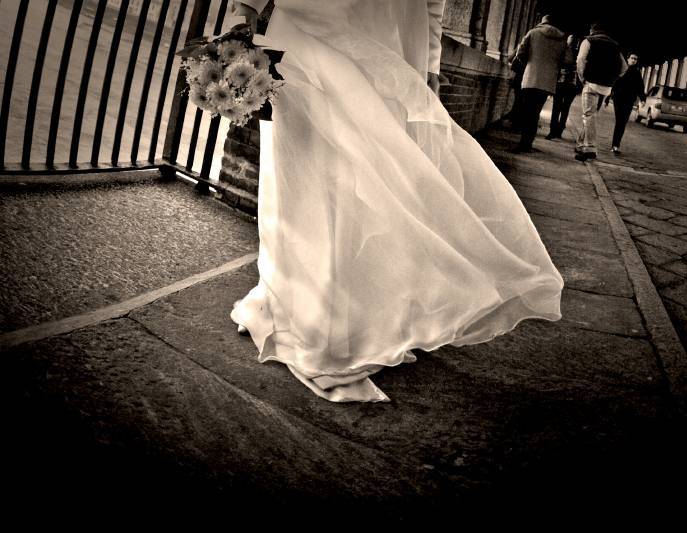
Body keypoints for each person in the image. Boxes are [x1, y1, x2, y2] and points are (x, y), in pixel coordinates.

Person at [230, 0, 564, 402]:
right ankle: (303, 303)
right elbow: (432, 8)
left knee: (320, 182)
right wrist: (431, 69)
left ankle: (324, 318)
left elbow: (431, 6)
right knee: (311, 178)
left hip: (350, 46)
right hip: (341, 45)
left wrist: (244, 10)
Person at [509, 15, 567, 153]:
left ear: (542, 22)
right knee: (535, 112)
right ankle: (528, 143)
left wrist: (528, 64)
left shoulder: (533, 32)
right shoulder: (562, 39)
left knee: (527, 111)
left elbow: (520, 52)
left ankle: (523, 143)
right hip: (548, 82)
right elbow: (568, 60)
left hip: (531, 78)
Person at [574, 23, 627, 161]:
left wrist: (582, 78)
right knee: (591, 115)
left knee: (588, 115)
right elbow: (624, 68)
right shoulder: (615, 45)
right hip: (606, 87)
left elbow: (580, 60)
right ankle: (581, 145)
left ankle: (590, 148)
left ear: (592, 30)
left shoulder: (588, 40)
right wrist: (612, 80)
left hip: (591, 84)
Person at [609, 52, 645, 156]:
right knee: (619, 122)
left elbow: (640, 87)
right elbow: (614, 83)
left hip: (629, 101)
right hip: (618, 99)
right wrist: (608, 96)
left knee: (622, 123)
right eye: (632, 58)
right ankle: (615, 145)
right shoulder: (622, 69)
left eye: (636, 59)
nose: (634, 60)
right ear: (627, 59)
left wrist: (643, 99)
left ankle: (615, 145)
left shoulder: (637, 73)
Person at [546, 34, 579, 140]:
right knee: (565, 109)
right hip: (571, 85)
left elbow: (555, 66)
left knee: (556, 107)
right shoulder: (579, 54)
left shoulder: (562, 52)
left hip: (561, 83)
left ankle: (553, 131)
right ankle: (559, 130)